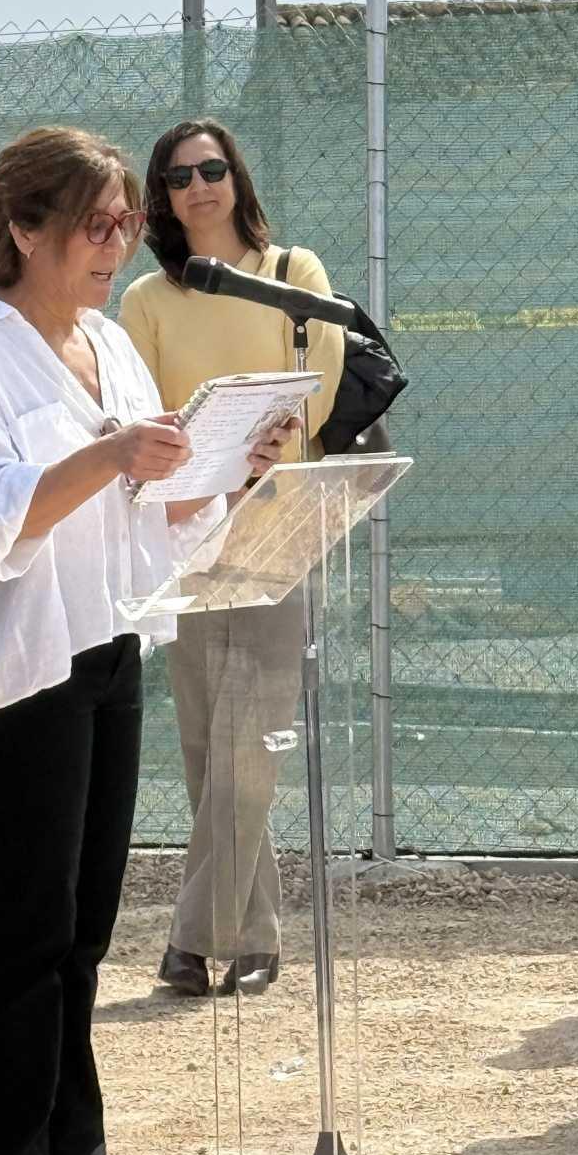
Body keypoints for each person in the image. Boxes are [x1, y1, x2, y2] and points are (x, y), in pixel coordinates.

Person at [0, 127, 290, 1155]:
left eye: (126, 220)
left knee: (84, 920)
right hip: (21, 662)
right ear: (22, 228)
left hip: (109, 642)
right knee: (26, 919)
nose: (119, 239)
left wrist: (230, 470)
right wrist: (114, 453)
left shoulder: (107, 343)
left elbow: (150, 513)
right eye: (97, 222)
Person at [118, 118, 344, 999]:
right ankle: (252, 934)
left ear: (236, 177)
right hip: (189, 522)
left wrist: (271, 445)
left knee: (252, 735)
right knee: (210, 738)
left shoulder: (296, 276)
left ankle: (193, 935)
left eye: (211, 169)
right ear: (163, 199)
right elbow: (142, 411)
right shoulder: (146, 301)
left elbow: (316, 398)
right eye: (178, 178)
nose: (198, 186)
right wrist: (212, 464)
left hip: (281, 517)